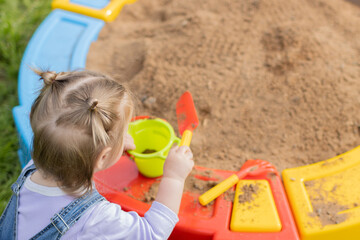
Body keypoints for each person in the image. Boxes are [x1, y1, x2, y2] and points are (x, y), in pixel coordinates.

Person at [0, 70, 194, 239]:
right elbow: (152, 233)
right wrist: (174, 177)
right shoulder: (95, 219)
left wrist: (112, 144)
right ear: (102, 157)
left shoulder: (33, 167)